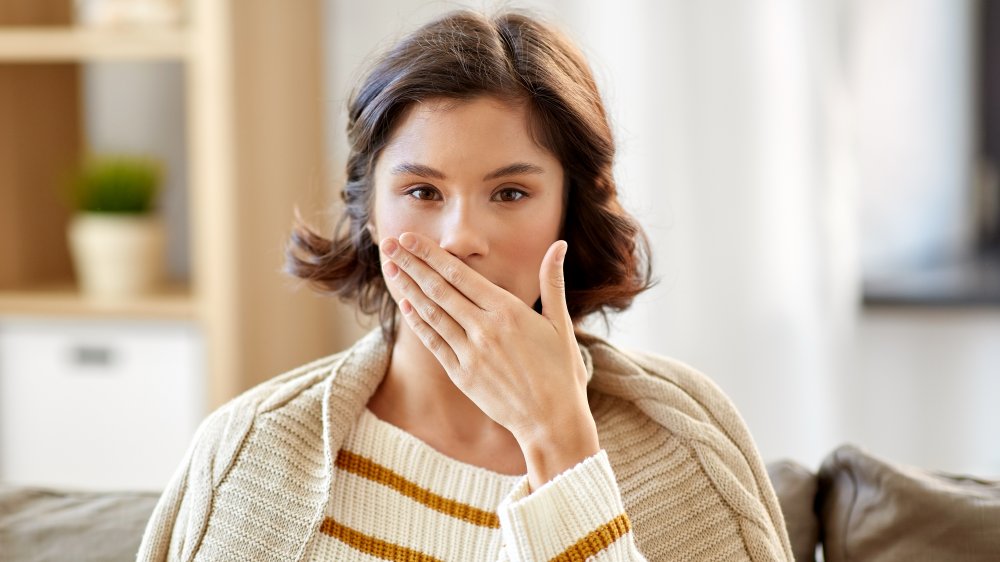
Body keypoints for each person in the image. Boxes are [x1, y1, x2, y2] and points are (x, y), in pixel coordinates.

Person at [138, 9, 792, 562]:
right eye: (422, 191)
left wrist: (558, 439)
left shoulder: (686, 442)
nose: (459, 238)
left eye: (510, 192)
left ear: (571, 209)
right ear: (370, 213)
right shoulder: (249, 451)